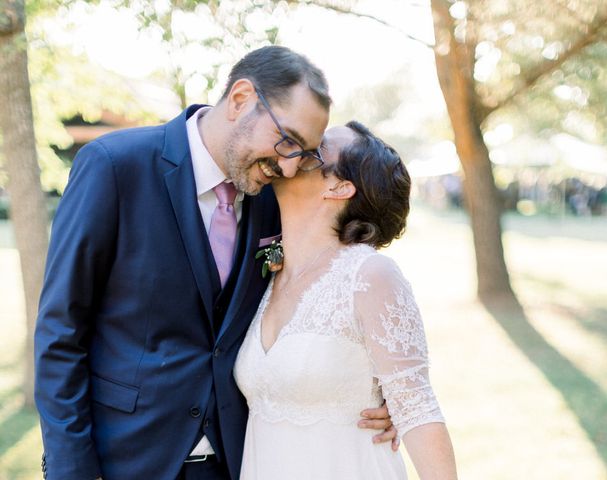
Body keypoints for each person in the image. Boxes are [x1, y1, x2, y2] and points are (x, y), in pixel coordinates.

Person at [34, 46, 396, 480]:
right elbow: (60, 333)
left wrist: (381, 386)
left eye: (304, 153)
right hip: (126, 460)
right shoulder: (115, 167)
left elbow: (335, 285)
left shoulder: (273, 200)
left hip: (237, 461)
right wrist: (71, 469)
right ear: (241, 98)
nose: (288, 165)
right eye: (287, 141)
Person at [234, 121, 458, 479]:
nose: (295, 146)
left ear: (339, 187)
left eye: (317, 147)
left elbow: (417, 410)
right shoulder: (269, 271)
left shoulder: (370, 275)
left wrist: (398, 407)